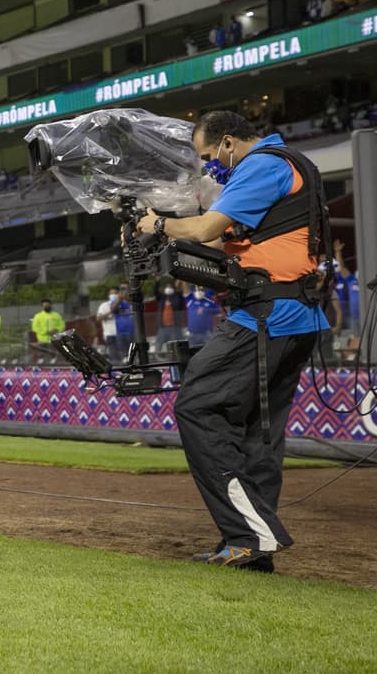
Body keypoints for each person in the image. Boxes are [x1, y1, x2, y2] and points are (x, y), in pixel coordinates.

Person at [136, 110, 329, 571]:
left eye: (209, 156)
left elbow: (206, 229)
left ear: (227, 142)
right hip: (295, 316)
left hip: (267, 315)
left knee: (197, 405)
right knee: (257, 433)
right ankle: (250, 548)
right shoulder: (291, 163)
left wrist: (159, 225)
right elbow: (225, 245)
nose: (211, 167)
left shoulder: (262, 164)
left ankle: (251, 532)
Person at [154, 279, 187, 356]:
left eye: (170, 287)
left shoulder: (177, 297)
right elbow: (155, 292)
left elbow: (180, 295)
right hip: (163, 328)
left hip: (174, 327)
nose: (168, 288)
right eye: (167, 287)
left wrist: (177, 285)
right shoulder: (162, 298)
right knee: (158, 347)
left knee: (176, 348)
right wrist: (157, 281)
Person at [30, 299, 64, 364]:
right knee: (41, 356)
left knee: (53, 355)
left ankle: (54, 363)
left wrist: (56, 330)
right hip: (42, 340)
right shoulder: (38, 316)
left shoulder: (56, 315)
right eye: (45, 305)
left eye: (48, 305)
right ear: (42, 306)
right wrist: (46, 331)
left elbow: (62, 324)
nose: (47, 307)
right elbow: (35, 327)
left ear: (51, 305)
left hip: (54, 339)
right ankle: (42, 365)